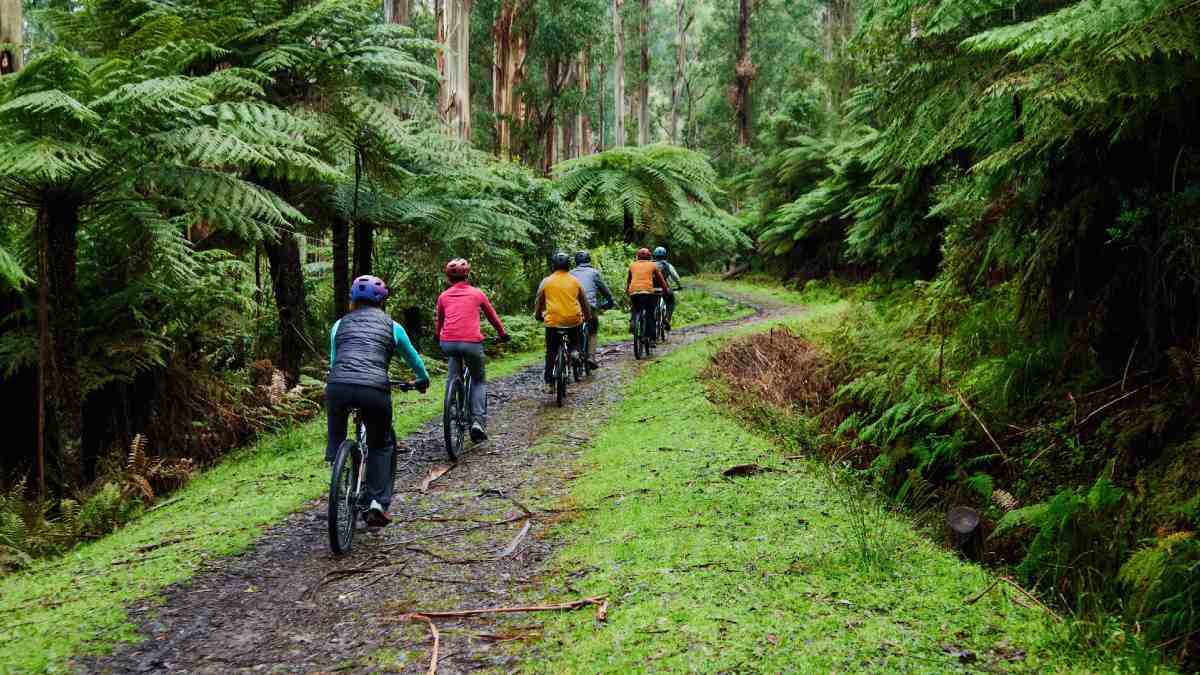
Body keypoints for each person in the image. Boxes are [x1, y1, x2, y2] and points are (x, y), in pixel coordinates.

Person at [326, 275, 430, 527]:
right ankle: (376, 503)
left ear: (353, 299)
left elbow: (334, 360)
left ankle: (337, 461)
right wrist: (422, 379)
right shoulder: (393, 327)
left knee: (337, 433)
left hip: (338, 385)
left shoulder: (339, 324)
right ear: (383, 301)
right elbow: (414, 360)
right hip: (373, 389)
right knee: (382, 444)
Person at [436, 258, 510, 442]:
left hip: (448, 343)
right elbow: (493, 317)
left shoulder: (443, 297)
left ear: (448, 278)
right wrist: (502, 334)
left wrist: (438, 335)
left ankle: (452, 406)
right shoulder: (477, 294)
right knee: (478, 380)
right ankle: (477, 421)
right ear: (468, 275)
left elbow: (440, 321)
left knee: (453, 374)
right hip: (471, 343)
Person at [534, 252, 592, 393]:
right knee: (575, 340)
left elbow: (539, 302)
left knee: (551, 352)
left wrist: (538, 315)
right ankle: (574, 352)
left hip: (553, 321)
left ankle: (549, 383)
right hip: (573, 319)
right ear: (568, 265)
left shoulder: (546, 281)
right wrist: (588, 316)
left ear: (553, 265)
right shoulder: (574, 281)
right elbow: (584, 302)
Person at [570, 250, 615, 369]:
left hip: (572, 307)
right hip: (589, 307)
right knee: (593, 331)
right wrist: (610, 302)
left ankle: (574, 352)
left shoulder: (570, 273)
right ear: (589, 260)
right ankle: (591, 357)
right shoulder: (594, 273)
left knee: (573, 330)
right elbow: (605, 290)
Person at [626, 247, 671, 345]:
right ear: (650, 256)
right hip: (648, 292)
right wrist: (665, 290)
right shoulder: (653, 265)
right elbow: (661, 280)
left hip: (634, 292)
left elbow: (629, 280)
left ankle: (634, 321)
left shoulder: (632, 265)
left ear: (637, 256)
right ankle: (650, 338)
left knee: (636, 309)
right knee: (650, 314)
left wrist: (627, 291)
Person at [653, 246, 682, 330]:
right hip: (663, 288)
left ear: (654, 255)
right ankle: (667, 319)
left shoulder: (650, 264)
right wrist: (679, 285)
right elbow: (675, 277)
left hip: (651, 289)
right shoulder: (667, 265)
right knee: (671, 301)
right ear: (665, 255)